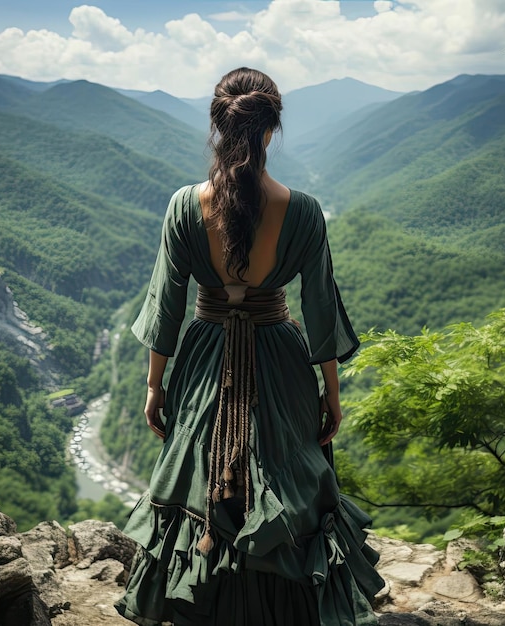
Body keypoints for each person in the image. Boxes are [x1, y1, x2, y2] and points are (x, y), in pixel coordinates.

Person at [115, 67, 384, 626]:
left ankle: (203, 600)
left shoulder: (185, 206)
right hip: (280, 360)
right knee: (284, 473)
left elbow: (166, 306)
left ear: (218, 127)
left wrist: (153, 384)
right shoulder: (304, 211)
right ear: (270, 131)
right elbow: (319, 312)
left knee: (204, 471)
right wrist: (331, 393)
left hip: (206, 357)